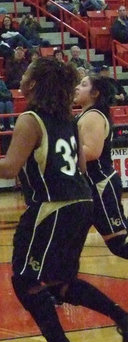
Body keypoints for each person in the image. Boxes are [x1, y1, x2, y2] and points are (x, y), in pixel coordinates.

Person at [0, 57, 128, 342]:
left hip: (51, 207)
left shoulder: (31, 119)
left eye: (27, 73)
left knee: (25, 280)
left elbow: (7, 169)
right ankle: (123, 319)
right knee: (59, 283)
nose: (22, 75)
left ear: (36, 83)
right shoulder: (68, 119)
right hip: (80, 202)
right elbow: (81, 168)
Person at [75, 74, 128, 259]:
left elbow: (91, 151)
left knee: (119, 243)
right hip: (88, 187)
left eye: (82, 85)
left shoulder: (93, 116)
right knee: (69, 241)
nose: (77, 88)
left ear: (95, 93)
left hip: (100, 184)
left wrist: (59, 154)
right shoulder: (84, 114)